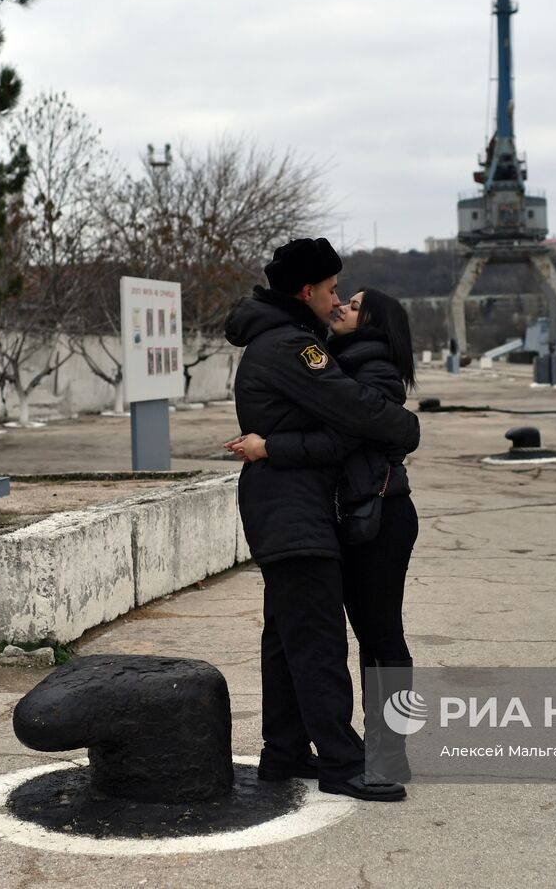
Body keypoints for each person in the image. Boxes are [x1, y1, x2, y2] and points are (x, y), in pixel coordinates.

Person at [223, 238, 419, 803]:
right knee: (318, 641)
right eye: (333, 290)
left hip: (286, 507)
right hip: (295, 511)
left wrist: (273, 445)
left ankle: (283, 752)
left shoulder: (286, 340)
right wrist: (406, 429)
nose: (336, 301)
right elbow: (355, 412)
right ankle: (341, 762)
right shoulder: (292, 348)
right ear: (306, 290)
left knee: (287, 637)